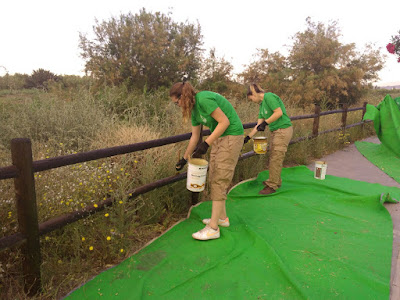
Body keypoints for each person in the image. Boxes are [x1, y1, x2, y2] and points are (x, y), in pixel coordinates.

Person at [170, 81, 244, 241]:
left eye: (177, 102)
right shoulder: (194, 111)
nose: (178, 106)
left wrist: (206, 144)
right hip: (220, 137)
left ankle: (213, 228)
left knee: (219, 179)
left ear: (183, 96)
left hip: (232, 136)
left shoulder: (203, 99)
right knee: (214, 177)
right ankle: (222, 219)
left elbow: (225, 122)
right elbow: (195, 136)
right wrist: (184, 159)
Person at [244, 83, 293, 195]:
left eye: (250, 99)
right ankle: (276, 181)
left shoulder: (269, 97)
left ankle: (272, 185)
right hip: (276, 131)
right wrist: (248, 137)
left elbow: (279, 113)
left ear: (253, 93)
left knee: (276, 157)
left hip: (283, 130)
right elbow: (258, 125)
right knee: (274, 156)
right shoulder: (262, 106)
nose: (251, 101)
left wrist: (266, 123)